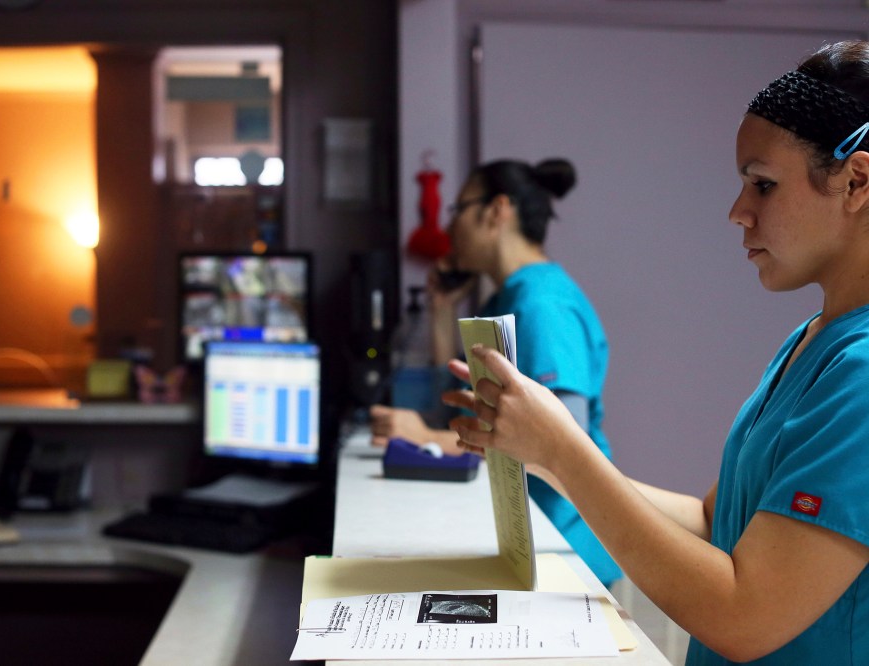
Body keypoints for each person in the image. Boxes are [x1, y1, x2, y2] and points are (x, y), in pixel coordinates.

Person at [446, 40, 869, 665]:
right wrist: (545, 458)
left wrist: (566, 449)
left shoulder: (861, 373)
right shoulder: (810, 342)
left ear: (856, 181)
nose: (737, 212)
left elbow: (744, 617)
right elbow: (709, 520)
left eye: (763, 185)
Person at [370, 158, 622, 588]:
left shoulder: (542, 307)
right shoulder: (506, 298)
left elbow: (564, 441)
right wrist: (442, 310)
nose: (450, 228)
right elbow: (451, 400)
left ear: (495, 211)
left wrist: (428, 441)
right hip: (533, 539)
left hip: (566, 550)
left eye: (458, 210)